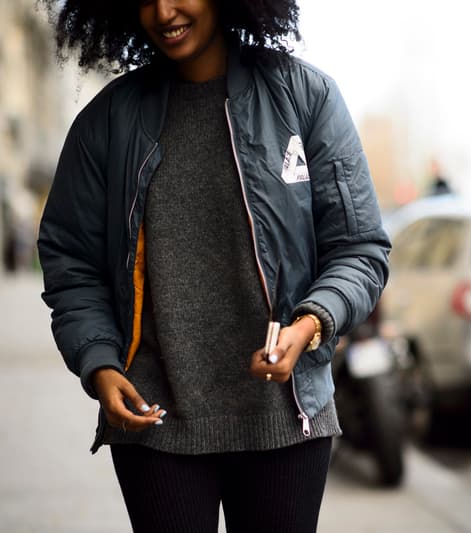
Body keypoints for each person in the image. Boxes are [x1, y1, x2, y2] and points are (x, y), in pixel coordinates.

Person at [37, 1, 390, 532]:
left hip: (284, 418)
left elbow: (359, 248)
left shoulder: (304, 98)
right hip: (155, 422)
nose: (162, 11)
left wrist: (310, 323)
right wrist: (100, 362)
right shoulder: (107, 123)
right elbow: (71, 263)